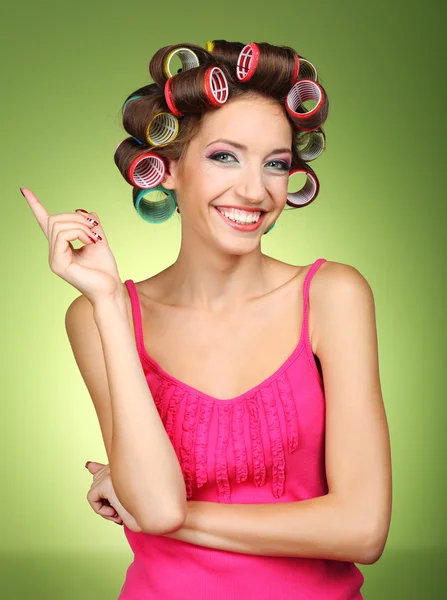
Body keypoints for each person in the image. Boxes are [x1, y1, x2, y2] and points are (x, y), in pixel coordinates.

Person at [22, 40, 392, 600]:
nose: (254, 189)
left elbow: (362, 529)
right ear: (168, 169)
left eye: (275, 164)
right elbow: (156, 500)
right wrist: (108, 305)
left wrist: (156, 514)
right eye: (225, 156)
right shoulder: (99, 318)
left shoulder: (333, 296)